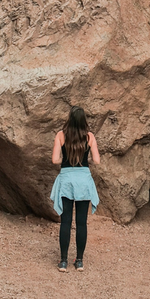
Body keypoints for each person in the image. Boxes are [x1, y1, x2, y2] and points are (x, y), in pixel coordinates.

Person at [50, 106, 100, 272]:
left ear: (69, 119)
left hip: (66, 179)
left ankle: (63, 261)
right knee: (81, 223)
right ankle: (79, 261)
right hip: (83, 180)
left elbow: (55, 160)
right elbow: (97, 160)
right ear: (83, 120)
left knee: (65, 222)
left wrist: (65, 160)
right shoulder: (89, 137)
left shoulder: (61, 135)